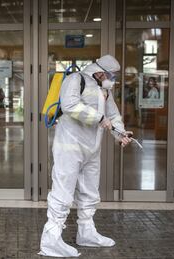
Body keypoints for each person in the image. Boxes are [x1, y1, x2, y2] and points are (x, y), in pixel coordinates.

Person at [39, 55, 132, 257]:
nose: (112, 79)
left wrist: (120, 134)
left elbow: (113, 115)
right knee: (63, 191)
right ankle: (50, 239)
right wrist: (99, 118)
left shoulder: (104, 89)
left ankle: (87, 232)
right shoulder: (75, 80)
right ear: (100, 73)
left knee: (90, 191)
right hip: (69, 146)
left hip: (92, 148)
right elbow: (70, 105)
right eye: (111, 75)